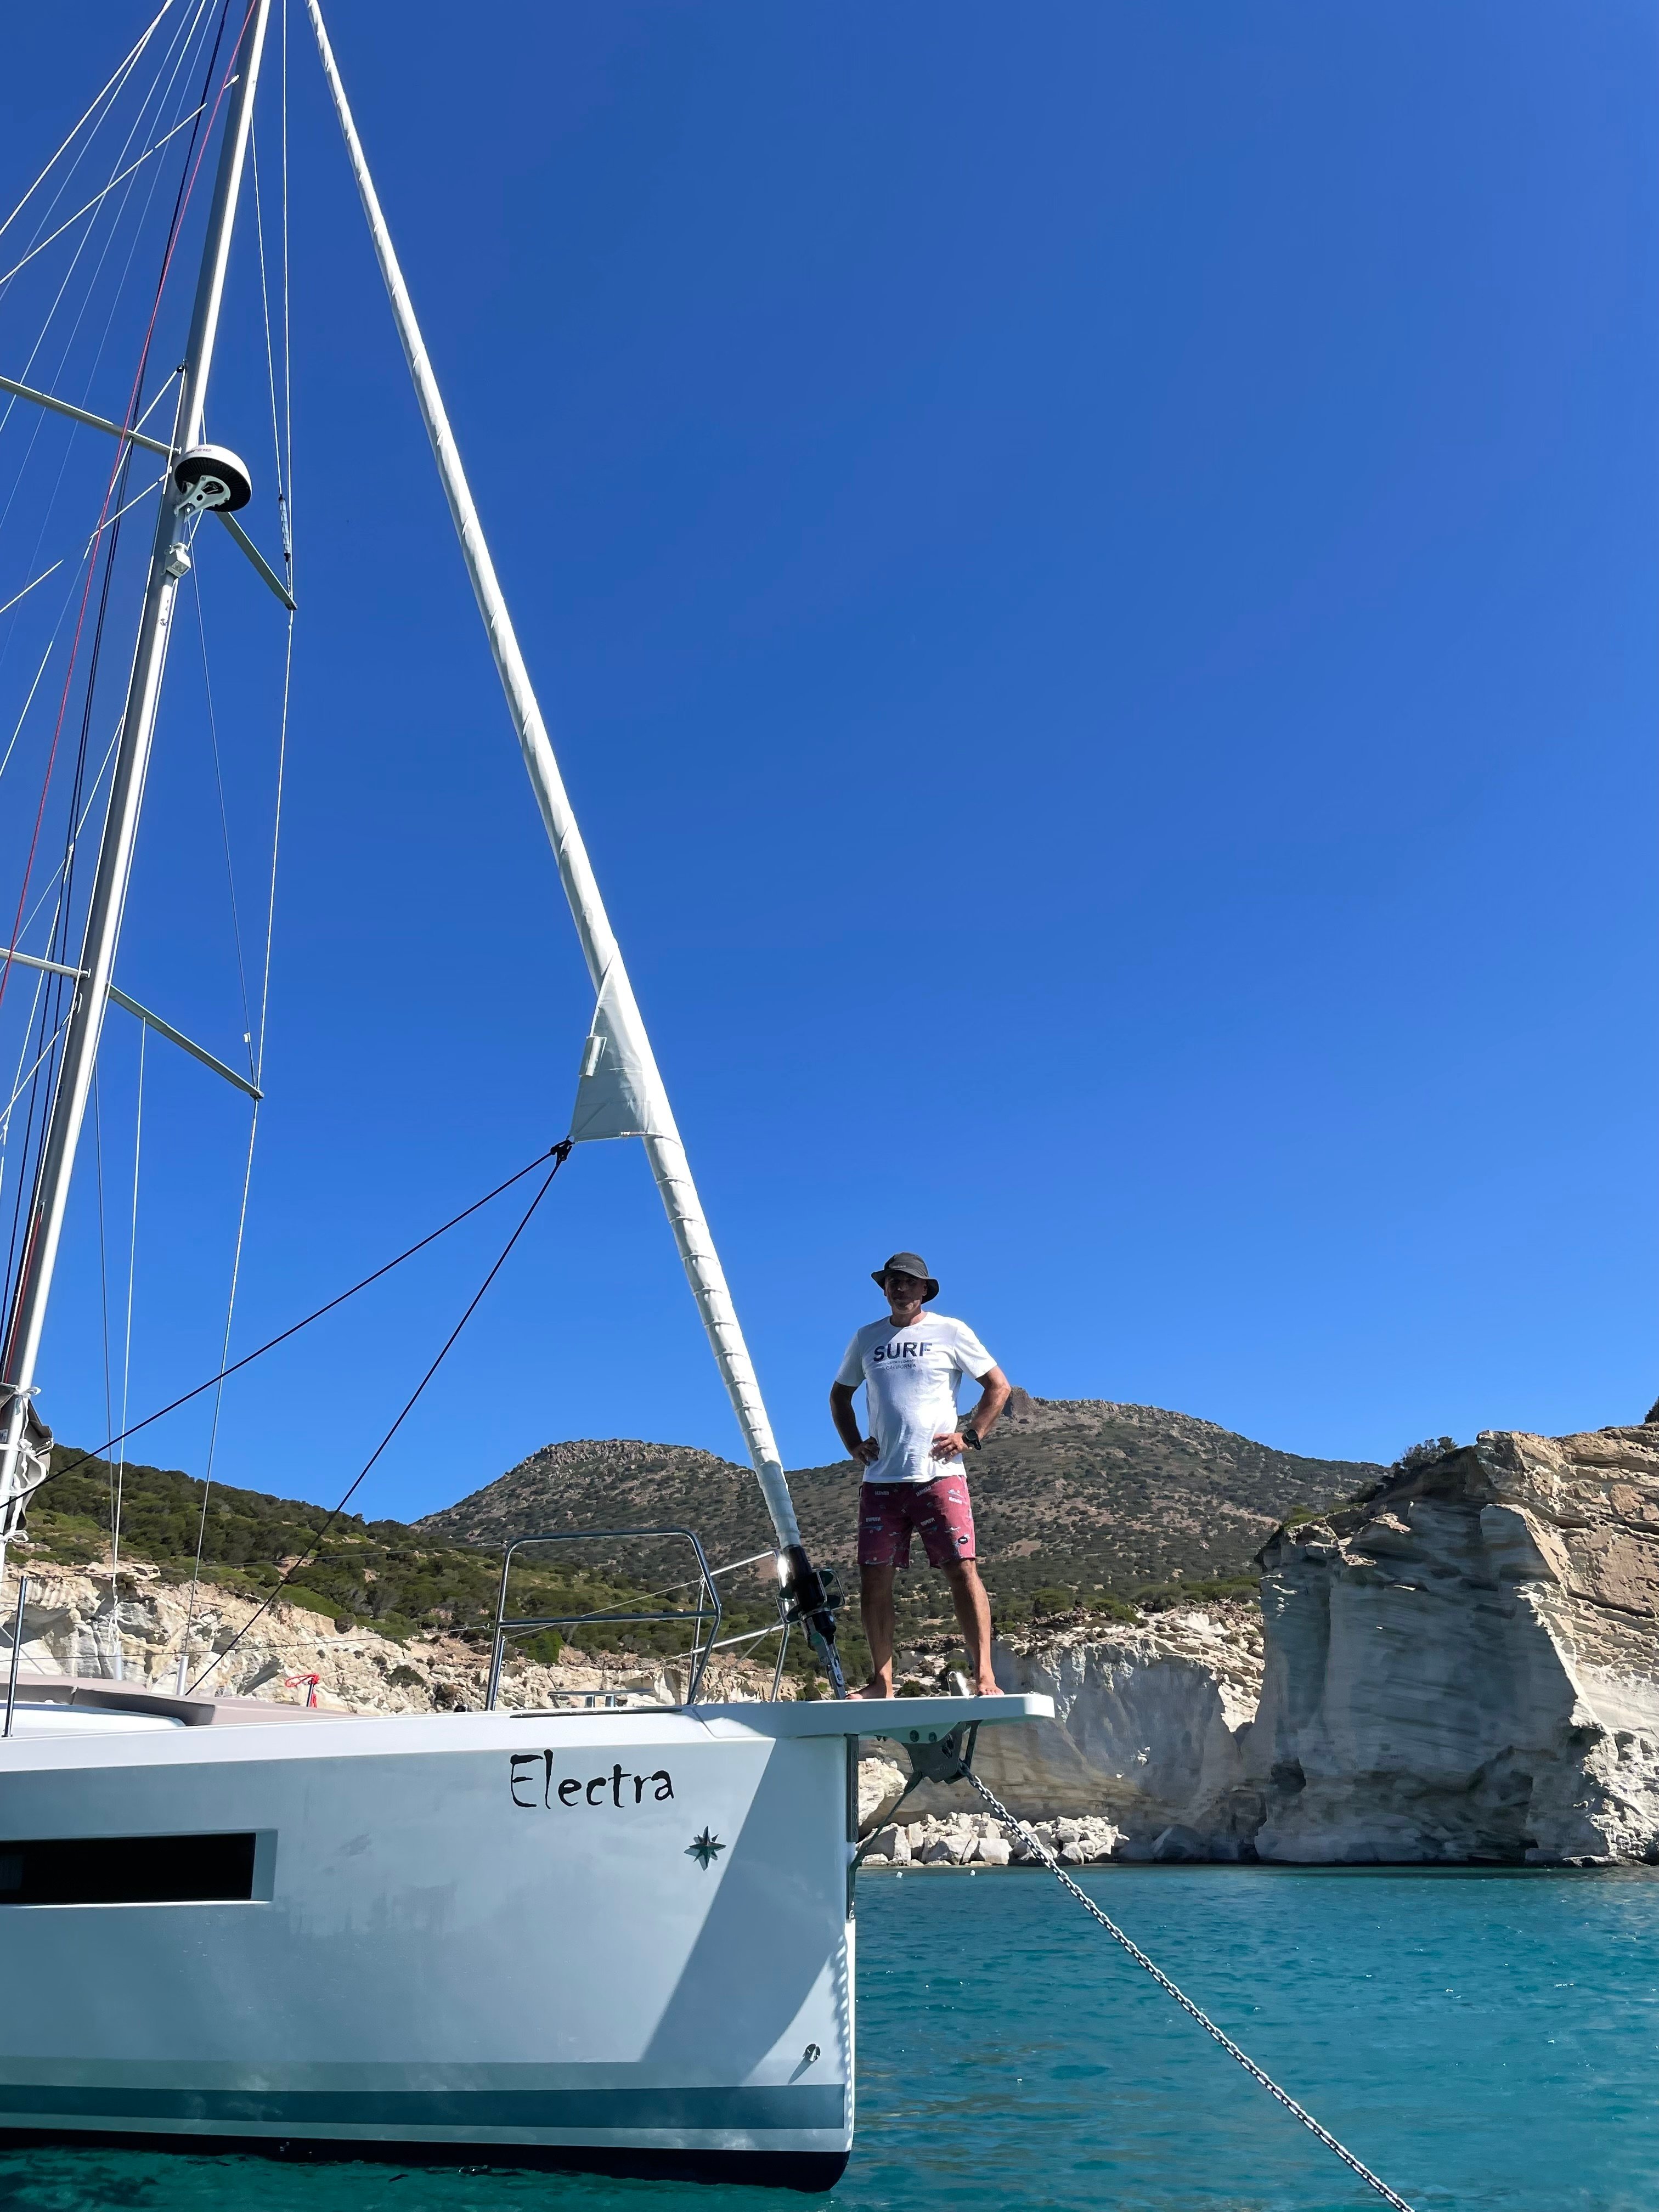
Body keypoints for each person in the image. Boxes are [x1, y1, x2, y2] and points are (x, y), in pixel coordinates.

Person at [830, 1252, 1011, 1699]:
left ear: (924, 1290)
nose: (901, 1289)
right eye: (893, 1282)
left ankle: (985, 1675)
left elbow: (998, 1387)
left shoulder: (951, 1331)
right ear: (884, 1288)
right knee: (875, 1578)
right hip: (881, 1481)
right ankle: (881, 1682)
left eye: (910, 1283)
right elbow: (839, 1396)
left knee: (962, 1569)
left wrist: (970, 1436)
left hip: (939, 1475)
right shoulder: (866, 1338)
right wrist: (854, 1445)